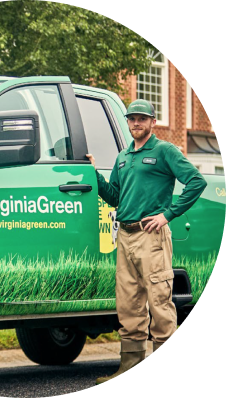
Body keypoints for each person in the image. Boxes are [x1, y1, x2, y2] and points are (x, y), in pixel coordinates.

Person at [86, 99, 207, 385]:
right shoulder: (123, 157)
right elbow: (115, 196)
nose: (136, 123)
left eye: (142, 119)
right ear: (127, 122)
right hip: (125, 236)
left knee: (159, 302)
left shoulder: (164, 151)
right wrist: (94, 175)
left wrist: (168, 215)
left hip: (151, 236)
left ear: (152, 121)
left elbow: (196, 181)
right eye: (131, 119)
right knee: (128, 304)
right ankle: (129, 364)